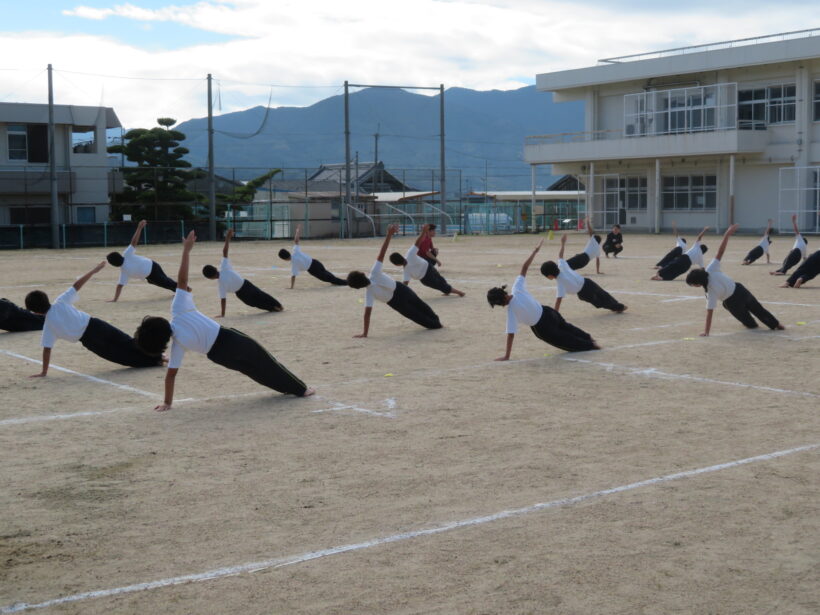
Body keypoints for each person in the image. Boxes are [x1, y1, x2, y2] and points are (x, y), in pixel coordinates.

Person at [134, 231, 314, 412]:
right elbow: (181, 280)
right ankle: (301, 389)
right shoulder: (178, 310)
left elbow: (170, 376)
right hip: (230, 339)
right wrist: (186, 251)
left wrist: (167, 403)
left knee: (254, 371)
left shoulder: (178, 344)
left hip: (219, 357)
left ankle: (285, 387)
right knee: (266, 361)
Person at [25, 262, 164, 377]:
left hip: (90, 341)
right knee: (128, 341)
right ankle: (158, 356)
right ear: (46, 299)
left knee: (122, 356)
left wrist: (44, 371)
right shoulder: (60, 301)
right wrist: (93, 271)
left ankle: (156, 360)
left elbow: (47, 350)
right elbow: (77, 285)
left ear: (36, 312)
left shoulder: (49, 326)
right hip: (96, 325)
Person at [487, 239, 599, 360]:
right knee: (566, 327)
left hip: (542, 327)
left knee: (564, 340)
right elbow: (524, 267)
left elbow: (511, 334)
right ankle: (588, 338)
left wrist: (507, 355)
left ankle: (590, 345)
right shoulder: (517, 288)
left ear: (499, 303)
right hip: (548, 312)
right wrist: (535, 251)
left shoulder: (511, 311)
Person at [686, 224, 784, 336]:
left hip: (732, 302)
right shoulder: (710, 269)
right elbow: (720, 252)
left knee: (750, 324)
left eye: (693, 284)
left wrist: (706, 332)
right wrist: (727, 234)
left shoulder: (710, 291)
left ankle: (752, 323)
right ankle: (776, 325)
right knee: (758, 309)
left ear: (698, 283)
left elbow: (710, 312)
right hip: (741, 290)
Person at [347, 224, 442, 337]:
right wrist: (389, 235)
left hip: (397, 303)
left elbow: (367, 314)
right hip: (402, 289)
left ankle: (436, 324)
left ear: (359, 287)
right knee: (420, 304)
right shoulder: (374, 273)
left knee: (416, 315)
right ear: (362, 274)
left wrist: (365, 333)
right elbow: (382, 252)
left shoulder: (369, 293)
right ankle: (436, 321)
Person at [202, 229, 283, 317]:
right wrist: (227, 238)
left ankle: (273, 308)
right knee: (261, 295)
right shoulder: (224, 267)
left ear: (210, 278)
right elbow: (225, 252)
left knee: (256, 303)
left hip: (241, 294)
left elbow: (223, 299)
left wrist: (222, 314)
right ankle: (278, 305)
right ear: (215, 268)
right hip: (246, 284)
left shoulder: (221, 283)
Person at [540, 234, 626, 313]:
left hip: (584, 293)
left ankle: (618, 307)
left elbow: (558, 300)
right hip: (588, 282)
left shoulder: (560, 283)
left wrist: (555, 314)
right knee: (603, 294)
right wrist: (562, 243)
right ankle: (617, 305)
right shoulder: (562, 266)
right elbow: (560, 256)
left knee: (600, 302)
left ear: (550, 276)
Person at [106, 220, 180, 301]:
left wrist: (115, 299)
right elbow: (134, 242)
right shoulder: (126, 256)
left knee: (165, 282)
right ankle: (179, 290)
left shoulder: (124, 270)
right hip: (152, 267)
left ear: (114, 264)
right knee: (164, 281)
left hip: (152, 271)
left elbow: (119, 286)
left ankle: (184, 290)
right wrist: (139, 228)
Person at [388, 224, 465, 297]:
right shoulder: (409, 254)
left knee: (439, 285)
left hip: (425, 278)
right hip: (429, 267)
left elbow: (405, 284)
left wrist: (398, 293)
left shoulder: (406, 270)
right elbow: (417, 242)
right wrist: (423, 232)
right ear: (401, 256)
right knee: (440, 279)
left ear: (397, 264)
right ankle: (451, 291)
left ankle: (458, 292)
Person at [278, 224, 347, 288]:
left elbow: (293, 276)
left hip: (313, 269)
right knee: (329, 275)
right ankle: (342, 281)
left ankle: (348, 282)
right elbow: (296, 241)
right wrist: (297, 231)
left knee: (330, 278)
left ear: (284, 259)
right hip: (316, 262)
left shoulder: (294, 263)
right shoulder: (295, 251)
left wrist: (291, 287)